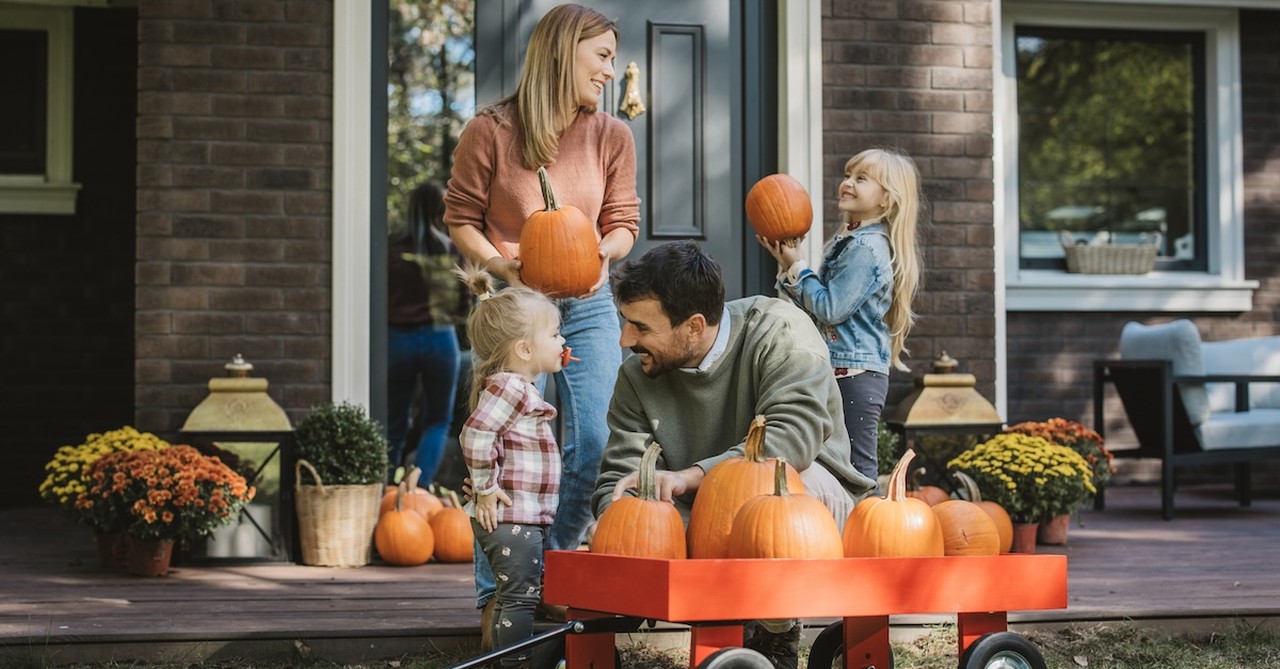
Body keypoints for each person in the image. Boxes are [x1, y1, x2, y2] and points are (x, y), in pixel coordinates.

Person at [443, 2, 640, 632]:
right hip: (513, 307)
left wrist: (595, 253)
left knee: (598, 439)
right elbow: (461, 220)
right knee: (497, 445)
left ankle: (550, 568)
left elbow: (623, 225)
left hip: (585, 306)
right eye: (602, 56)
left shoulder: (612, 135)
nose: (610, 70)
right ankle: (499, 596)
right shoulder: (491, 130)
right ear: (562, 51)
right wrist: (504, 269)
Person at [594, 240, 876, 669]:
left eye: (640, 327)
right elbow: (619, 474)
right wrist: (632, 513)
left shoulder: (779, 332)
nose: (625, 339)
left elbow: (792, 438)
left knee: (769, 501)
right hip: (696, 515)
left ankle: (773, 638)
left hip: (804, 498)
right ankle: (726, 637)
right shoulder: (637, 375)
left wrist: (692, 476)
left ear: (693, 326)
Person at [756, 148, 923, 489]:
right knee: (832, 461)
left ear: (886, 200)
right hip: (840, 370)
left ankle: (870, 537)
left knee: (859, 467)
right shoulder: (850, 241)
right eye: (847, 175)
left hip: (856, 376)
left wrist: (798, 267)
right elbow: (819, 312)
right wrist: (791, 267)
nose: (847, 183)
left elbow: (830, 308)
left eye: (861, 179)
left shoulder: (866, 249)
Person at [455, 264, 567, 666]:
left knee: (512, 596)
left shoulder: (516, 387)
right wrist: (485, 489)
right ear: (523, 348)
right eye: (554, 335)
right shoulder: (513, 388)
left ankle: (502, 661)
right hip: (513, 520)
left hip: (520, 518)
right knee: (521, 598)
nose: (562, 342)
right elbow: (475, 434)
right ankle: (514, 664)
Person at [386, 181, 469, 485]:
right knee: (438, 421)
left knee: (394, 422)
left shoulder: (390, 249)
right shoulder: (449, 250)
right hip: (439, 339)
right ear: (439, 210)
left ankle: (384, 490)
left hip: (398, 340)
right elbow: (464, 302)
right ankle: (418, 490)